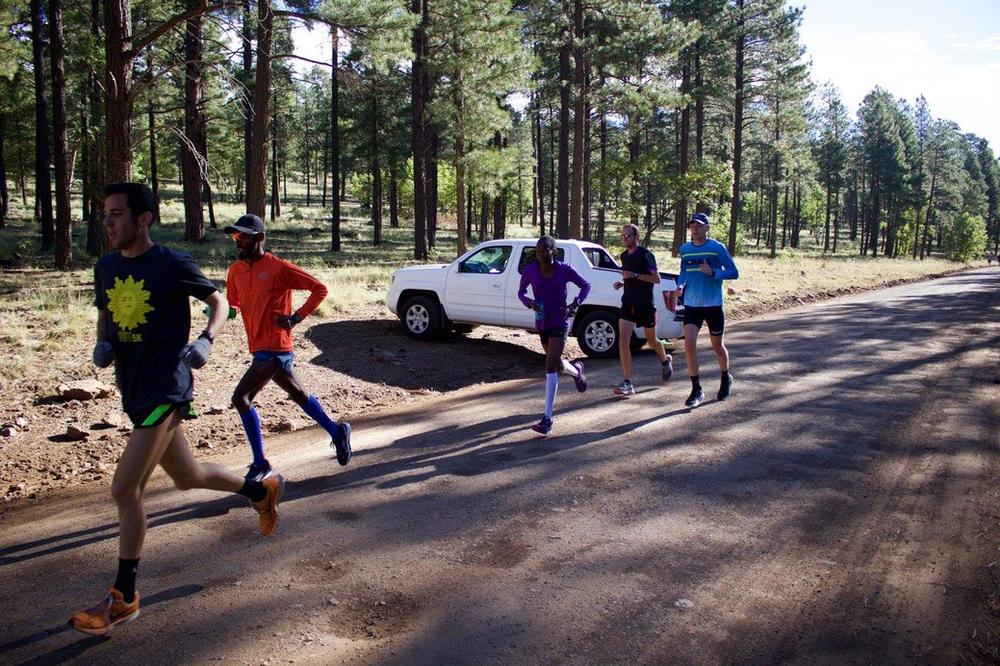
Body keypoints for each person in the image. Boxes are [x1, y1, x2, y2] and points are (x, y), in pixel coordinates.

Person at [69, 183, 283, 636]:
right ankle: (260, 492)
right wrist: (102, 340)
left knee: (126, 490)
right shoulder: (105, 266)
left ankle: (124, 596)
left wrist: (206, 339)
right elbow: (105, 309)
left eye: (116, 214)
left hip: (167, 389)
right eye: (105, 214)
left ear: (143, 219)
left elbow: (219, 301)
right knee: (188, 477)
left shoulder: (170, 263)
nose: (107, 222)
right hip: (133, 388)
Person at [225, 214, 352, 482]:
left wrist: (296, 317)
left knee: (241, 398)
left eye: (243, 236)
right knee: (300, 395)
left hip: (275, 347)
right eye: (236, 236)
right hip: (257, 345)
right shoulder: (235, 270)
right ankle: (337, 431)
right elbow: (234, 303)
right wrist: (224, 311)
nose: (238, 241)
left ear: (259, 238)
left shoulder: (279, 268)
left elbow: (319, 288)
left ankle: (260, 463)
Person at [517, 236, 592, 435]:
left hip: (560, 320)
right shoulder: (530, 270)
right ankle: (576, 371)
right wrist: (529, 303)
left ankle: (547, 418)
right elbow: (521, 292)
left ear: (554, 251)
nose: (541, 254)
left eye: (545, 250)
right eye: (538, 251)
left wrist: (575, 304)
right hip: (542, 321)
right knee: (557, 363)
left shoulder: (564, 269)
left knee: (550, 365)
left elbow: (586, 286)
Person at [674, 212, 739, 408]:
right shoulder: (685, 249)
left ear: (707, 228)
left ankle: (725, 377)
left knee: (717, 347)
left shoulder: (716, 248)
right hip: (692, 305)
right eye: (692, 225)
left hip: (713, 305)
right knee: (689, 344)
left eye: (699, 225)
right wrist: (680, 285)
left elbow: (734, 272)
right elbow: (684, 271)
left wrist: (713, 273)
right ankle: (696, 388)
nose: (695, 228)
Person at [612, 223, 674, 396]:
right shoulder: (624, 256)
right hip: (628, 303)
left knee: (652, 341)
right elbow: (630, 275)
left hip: (645, 305)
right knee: (623, 341)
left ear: (637, 237)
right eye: (622, 236)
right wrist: (623, 282)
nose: (625, 239)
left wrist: (635, 275)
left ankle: (664, 359)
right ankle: (627, 382)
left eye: (628, 236)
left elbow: (656, 279)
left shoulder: (646, 255)